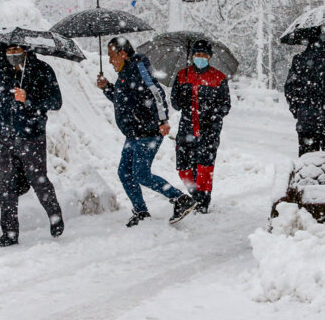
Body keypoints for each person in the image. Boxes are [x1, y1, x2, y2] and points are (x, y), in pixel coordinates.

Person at [97, 37, 197, 227]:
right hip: (133, 134)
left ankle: (180, 199)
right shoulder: (125, 73)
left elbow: (156, 93)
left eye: (112, 55)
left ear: (123, 54)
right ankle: (141, 211)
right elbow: (122, 101)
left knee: (141, 173)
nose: (110, 60)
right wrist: (107, 88)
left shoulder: (137, 68)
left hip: (148, 131)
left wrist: (162, 120)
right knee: (125, 172)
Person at [0, 46, 64, 247]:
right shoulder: (2, 71)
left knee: (38, 180)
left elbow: (56, 102)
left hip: (31, 136)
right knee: (5, 186)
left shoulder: (42, 70)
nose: (12, 54)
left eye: (16, 49)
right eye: (8, 50)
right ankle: (10, 233)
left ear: (26, 49)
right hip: (4, 137)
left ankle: (55, 215)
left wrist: (28, 99)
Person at [170, 39, 231, 213]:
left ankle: (202, 201)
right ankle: (192, 193)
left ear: (209, 57)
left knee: (204, 167)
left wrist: (211, 113)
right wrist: (181, 98)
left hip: (209, 130)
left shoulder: (218, 77)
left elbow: (225, 105)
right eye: (197, 54)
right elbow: (174, 103)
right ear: (192, 56)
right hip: (186, 129)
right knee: (184, 167)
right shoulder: (182, 75)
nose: (200, 57)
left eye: (204, 54)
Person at [284, 31, 325, 156]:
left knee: (308, 161)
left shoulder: (300, 59)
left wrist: (298, 110)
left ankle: (310, 174)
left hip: (307, 119)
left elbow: (290, 89)